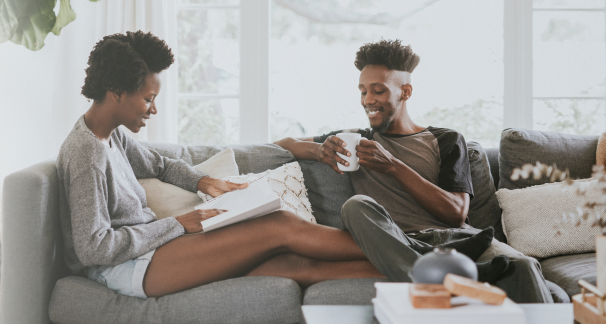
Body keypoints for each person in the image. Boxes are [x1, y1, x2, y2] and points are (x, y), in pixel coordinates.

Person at [57, 32, 384, 298]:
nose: (153, 109)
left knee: (290, 264)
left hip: (149, 252)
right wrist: (180, 224)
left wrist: (205, 183)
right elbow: (94, 249)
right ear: (116, 93)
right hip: (125, 268)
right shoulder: (87, 155)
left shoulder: (111, 136)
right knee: (279, 224)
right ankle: (406, 250)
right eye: (148, 99)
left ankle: (411, 271)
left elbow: (159, 165)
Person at [274, 39, 554, 303]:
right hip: (395, 242)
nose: (367, 100)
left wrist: (394, 166)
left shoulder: (445, 139)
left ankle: (438, 271)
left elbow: (456, 213)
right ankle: (446, 275)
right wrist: (318, 151)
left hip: (459, 242)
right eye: (362, 91)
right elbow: (282, 144)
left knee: (524, 265)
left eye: (378, 90)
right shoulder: (355, 139)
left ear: (405, 92)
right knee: (356, 206)